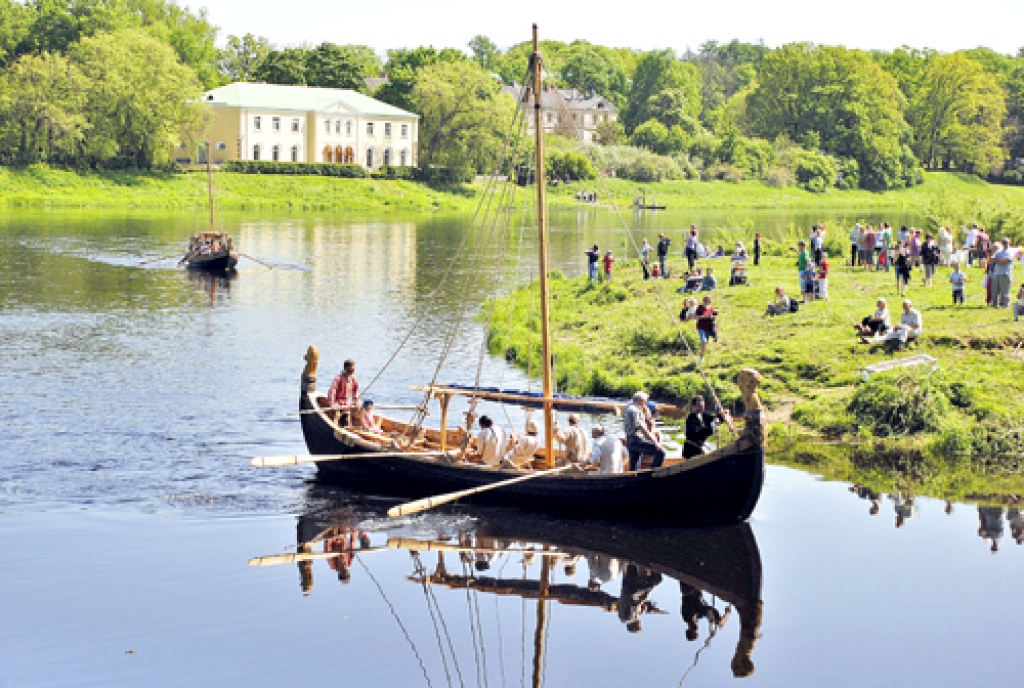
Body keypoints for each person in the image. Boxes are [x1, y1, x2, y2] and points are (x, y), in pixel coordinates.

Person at [622, 391, 665, 471]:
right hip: (636, 439)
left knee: (634, 464)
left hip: (629, 440)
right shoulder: (636, 410)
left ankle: (633, 480)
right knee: (661, 452)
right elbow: (641, 427)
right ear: (641, 401)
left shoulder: (627, 407)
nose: (645, 404)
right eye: (645, 401)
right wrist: (655, 443)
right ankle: (651, 474)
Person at [617, 564, 663, 634]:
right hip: (626, 587)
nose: (640, 623)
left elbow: (635, 603)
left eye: (639, 625)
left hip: (632, 590)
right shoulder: (622, 618)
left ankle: (654, 561)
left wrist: (648, 592)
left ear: (635, 626)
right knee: (632, 563)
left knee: (656, 579)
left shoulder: (629, 619)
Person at [328, 359, 359, 425]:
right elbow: (332, 391)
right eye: (351, 368)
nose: (353, 370)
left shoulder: (353, 379)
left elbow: (356, 392)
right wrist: (332, 404)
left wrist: (356, 402)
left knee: (347, 420)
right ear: (346, 368)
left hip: (346, 405)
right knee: (336, 416)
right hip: (337, 403)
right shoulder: (338, 378)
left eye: (354, 368)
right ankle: (334, 428)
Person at [989, 238, 1015, 308]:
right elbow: (991, 259)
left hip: (1005, 274)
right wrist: (998, 260)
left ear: (1009, 243)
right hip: (996, 273)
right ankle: (995, 305)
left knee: (1005, 291)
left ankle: (1005, 305)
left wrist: (996, 260)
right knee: (995, 291)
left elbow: (1003, 262)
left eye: (1006, 242)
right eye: (1003, 242)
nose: (1005, 243)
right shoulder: (999, 251)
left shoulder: (1010, 252)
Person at [695, 296, 717, 363]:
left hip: (708, 327)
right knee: (704, 341)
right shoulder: (700, 307)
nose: (710, 301)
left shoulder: (711, 308)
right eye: (708, 300)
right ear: (705, 300)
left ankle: (702, 355)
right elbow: (696, 316)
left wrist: (713, 317)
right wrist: (705, 316)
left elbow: (714, 318)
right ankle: (701, 357)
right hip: (701, 327)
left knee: (705, 343)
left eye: (710, 300)